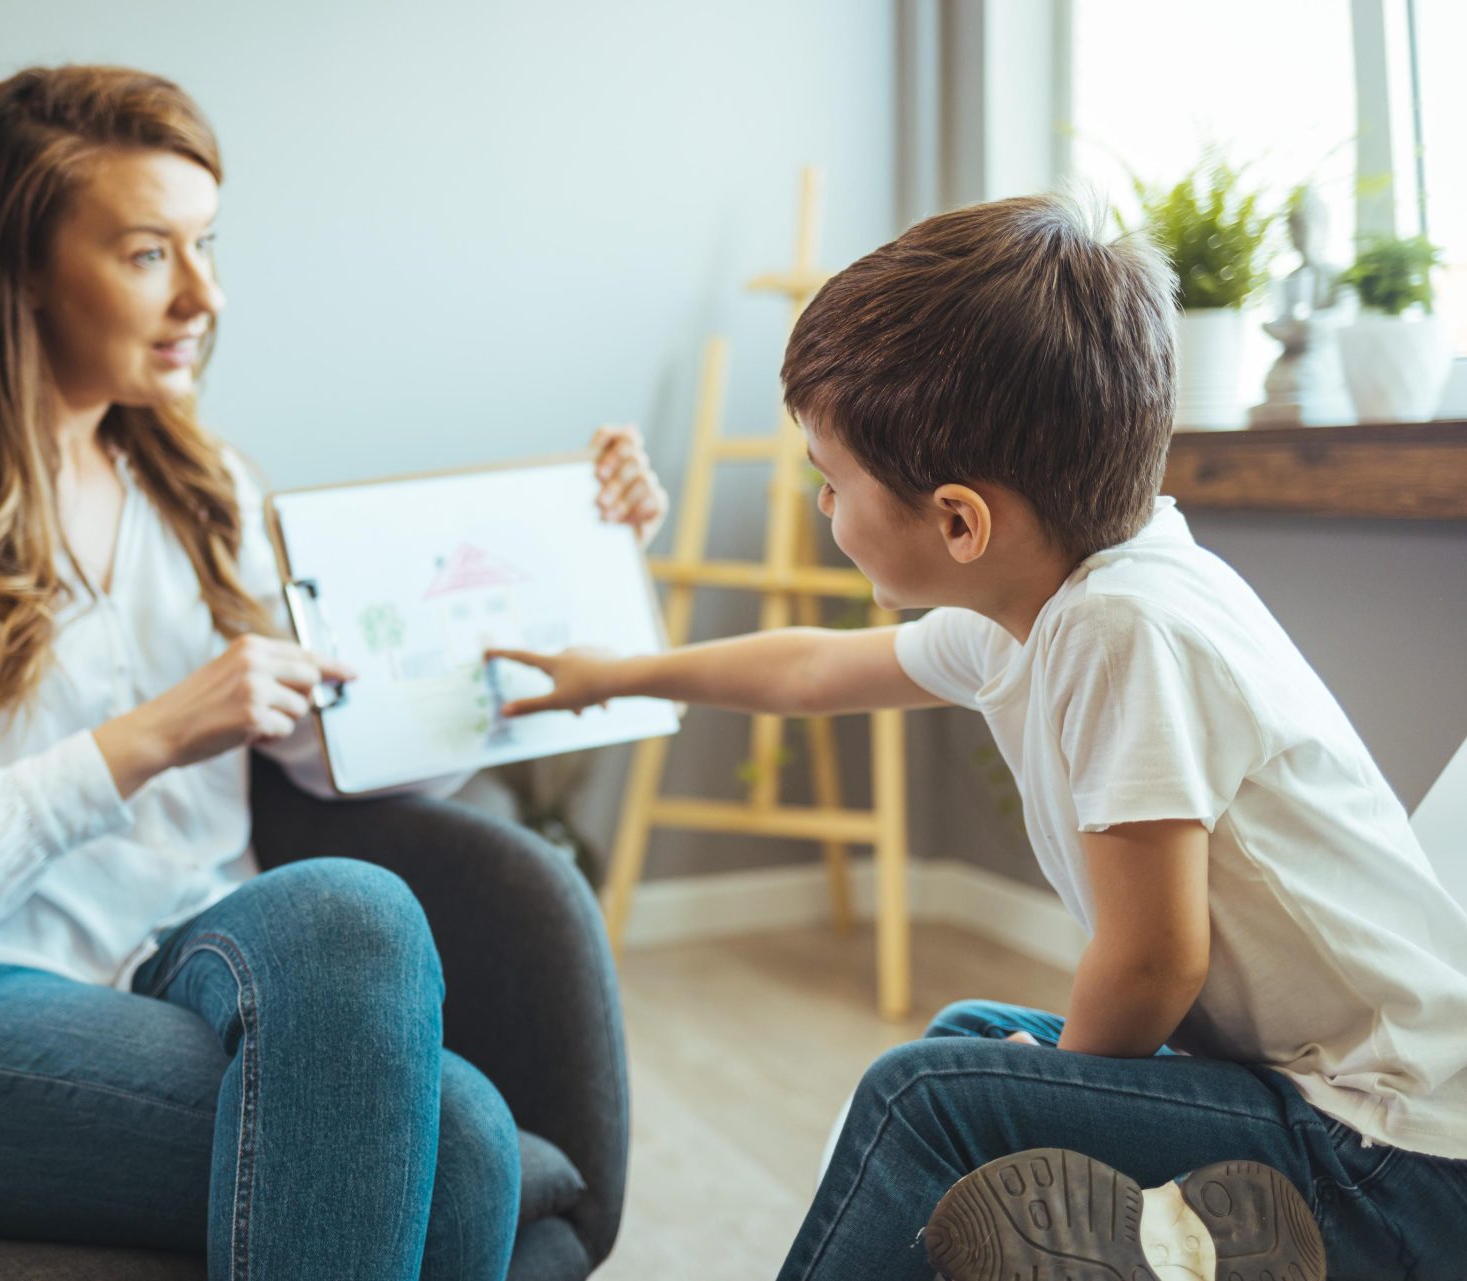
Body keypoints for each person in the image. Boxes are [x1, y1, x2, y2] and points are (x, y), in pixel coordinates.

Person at [0, 64, 667, 1281]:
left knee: (350, 909)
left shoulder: (203, 487)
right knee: (459, 1153)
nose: (204, 296)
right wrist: (149, 735)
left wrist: (577, 559)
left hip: (167, 966)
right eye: (149, 254)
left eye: (206, 245)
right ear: (22, 270)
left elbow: (344, 748)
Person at [490, 192, 1467, 1279]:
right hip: (1308, 1097)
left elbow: (1152, 961)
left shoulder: (1121, 629)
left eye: (833, 481)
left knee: (926, 1098)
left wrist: (1063, 1093)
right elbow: (813, 667)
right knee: (964, 1040)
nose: (823, 506)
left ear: (959, 521)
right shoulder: (1047, 603)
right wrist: (608, 677)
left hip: (1393, 1153)